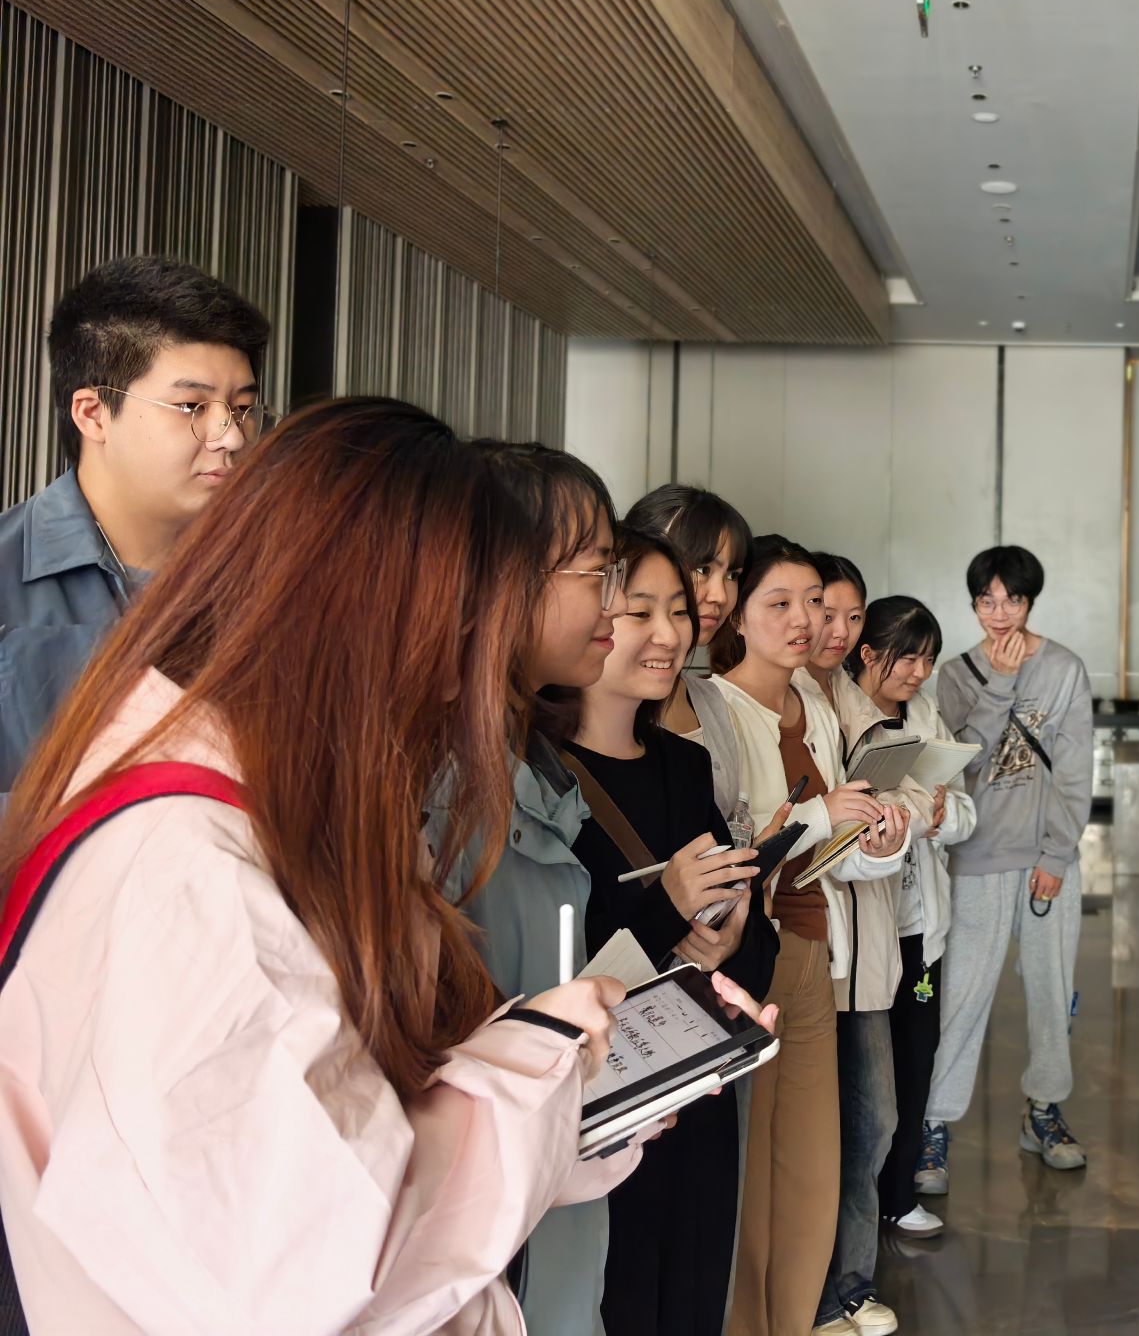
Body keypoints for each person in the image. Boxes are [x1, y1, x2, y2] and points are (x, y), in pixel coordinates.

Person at [0, 397, 668, 1331]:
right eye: (464, 633)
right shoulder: (190, 879)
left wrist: (556, 1079)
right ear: (367, 617)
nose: (464, 680)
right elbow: (322, 1265)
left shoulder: (232, 806)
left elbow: (332, 1147)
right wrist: (538, 1073)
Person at [554, 525, 783, 1336]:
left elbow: (752, 939)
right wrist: (666, 911)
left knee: (693, 1293)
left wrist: (731, 941)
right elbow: (545, 967)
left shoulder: (685, 767)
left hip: (695, 1087)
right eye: (640, 610)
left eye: (678, 612)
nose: (668, 634)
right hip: (605, 1109)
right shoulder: (533, 776)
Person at [434, 440, 631, 1336]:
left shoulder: (529, 761)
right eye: (598, 572)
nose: (614, 603)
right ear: (503, 579)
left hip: (553, 1202)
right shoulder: (439, 792)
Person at [707, 536, 908, 1336]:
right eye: (780, 603)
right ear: (738, 616)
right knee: (753, 1176)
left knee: (810, 1171)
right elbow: (741, 846)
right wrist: (824, 816)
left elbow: (828, 851)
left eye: (814, 603)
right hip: (755, 956)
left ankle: (796, 1319)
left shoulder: (812, 705)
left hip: (817, 950)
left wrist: (880, 839)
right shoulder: (718, 710)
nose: (805, 620)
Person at [0, 256, 270, 792]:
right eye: (192, 406)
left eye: (242, 409)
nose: (233, 437)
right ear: (93, 414)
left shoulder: (276, 579)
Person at [927, 545, 1094, 1184]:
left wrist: (1057, 854)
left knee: (1051, 994)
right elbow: (959, 767)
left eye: (1013, 600)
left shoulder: (1065, 669)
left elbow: (1074, 770)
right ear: (974, 605)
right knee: (961, 999)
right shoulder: (955, 676)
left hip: (1047, 863)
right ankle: (935, 1123)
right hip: (975, 859)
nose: (1000, 614)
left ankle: (1044, 1108)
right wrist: (998, 685)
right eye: (987, 601)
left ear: (1030, 602)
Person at [797, 556, 912, 1335]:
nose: (833, 630)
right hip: (813, 946)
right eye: (819, 610)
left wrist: (890, 833)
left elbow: (885, 818)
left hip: (867, 951)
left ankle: (848, 1285)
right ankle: (823, 1292)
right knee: (821, 1135)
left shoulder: (858, 704)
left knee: (873, 1124)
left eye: (848, 616)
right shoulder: (780, 703)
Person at [847, 596, 976, 1240]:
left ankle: (898, 1197)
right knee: (870, 1087)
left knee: (915, 1062)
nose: (921, 673)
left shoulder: (925, 714)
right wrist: (925, 810)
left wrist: (935, 816)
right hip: (871, 930)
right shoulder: (842, 714)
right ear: (868, 653)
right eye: (908, 658)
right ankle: (859, 1210)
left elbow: (963, 814)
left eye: (929, 659)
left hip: (922, 930)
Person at [629, 483, 752, 766]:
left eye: (732, 575)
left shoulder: (711, 700)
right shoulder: (605, 708)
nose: (720, 596)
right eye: (702, 569)